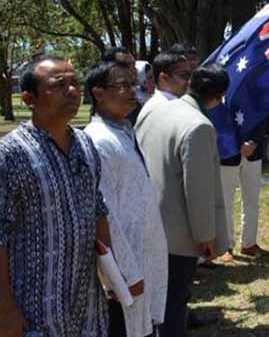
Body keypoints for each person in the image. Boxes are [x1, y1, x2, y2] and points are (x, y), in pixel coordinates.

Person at [0, 56, 111, 337]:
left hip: (86, 307)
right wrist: (5, 310)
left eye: (75, 83)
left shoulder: (85, 144)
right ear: (29, 98)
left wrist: (113, 276)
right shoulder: (11, 155)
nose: (72, 90)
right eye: (59, 85)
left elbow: (98, 209)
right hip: (34, 311)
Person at [136, 64, 230, 337]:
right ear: (219, 96)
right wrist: (206, 236)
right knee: (174, 303)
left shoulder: (155, 111)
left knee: (156, 304)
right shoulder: (198, 126)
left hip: (148, 220)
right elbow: (198, 189)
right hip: (178, 234)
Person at [85, 61, 167, 337]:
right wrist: (124, 276)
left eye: (133, 84)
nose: (133, 91)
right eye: (122, 86)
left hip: (143, 255)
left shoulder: (124, 131)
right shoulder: (98, 141)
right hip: (125, 270)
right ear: (98, 94)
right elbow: (104, 216)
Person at [218, 136, 269, 262]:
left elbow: (261, 119)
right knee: (225, 202)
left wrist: (253, 141)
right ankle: (226, 247)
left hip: (254, 152)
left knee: (252, 201)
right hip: (227, 152)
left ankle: (249, 244)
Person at [135, 52, 190, 125]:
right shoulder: (163, 107)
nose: (189, 81)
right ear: (164, 78)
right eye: (184, 75)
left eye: (190, 75)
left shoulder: (169, 103)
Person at [102, 47, 140, 125]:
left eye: (134, 64)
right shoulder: (106, 109)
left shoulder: (134, 102)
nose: (134, 70)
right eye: (126, 65)